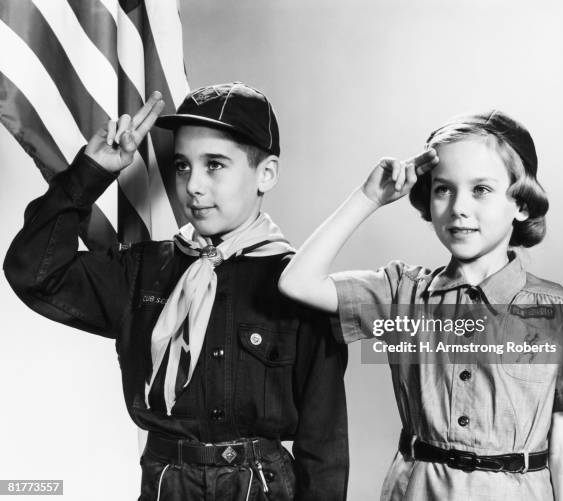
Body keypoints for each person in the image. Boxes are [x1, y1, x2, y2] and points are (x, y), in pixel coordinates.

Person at [4, 82, 349, 501]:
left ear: (266, 173)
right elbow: (33, 272)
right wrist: (91, 173)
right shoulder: (143, 270)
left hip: (261, 487)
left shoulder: (298, 285)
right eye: (183, 166)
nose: (194, 185)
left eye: (215, 165)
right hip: (167, 483)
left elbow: (324, 443)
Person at [278, 110, 563, 500]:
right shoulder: (403, 293)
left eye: (481, 189)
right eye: (443, 189)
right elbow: (296, 281)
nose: (458, 208)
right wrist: (368, 199)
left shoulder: (560, 310)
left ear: (520, 204)